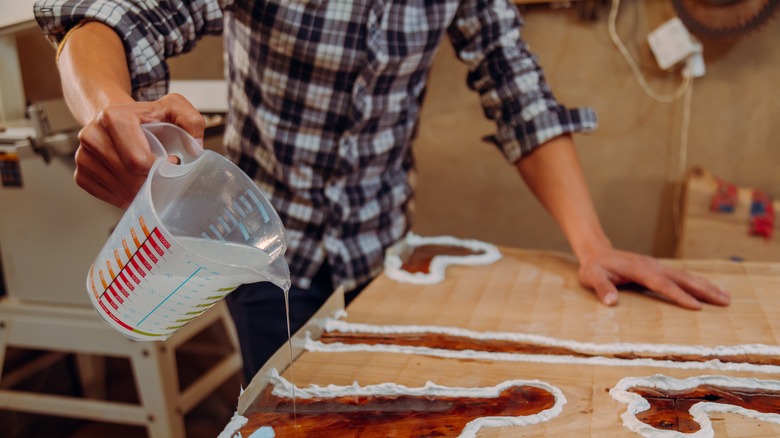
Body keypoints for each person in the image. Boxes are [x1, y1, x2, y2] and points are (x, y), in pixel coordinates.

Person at [35, 0, 730, 382]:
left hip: (382, 251)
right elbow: (108, 13)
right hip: (259, 253)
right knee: (288, 406)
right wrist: (108, 109)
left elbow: (517, 89)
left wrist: (593, 244)